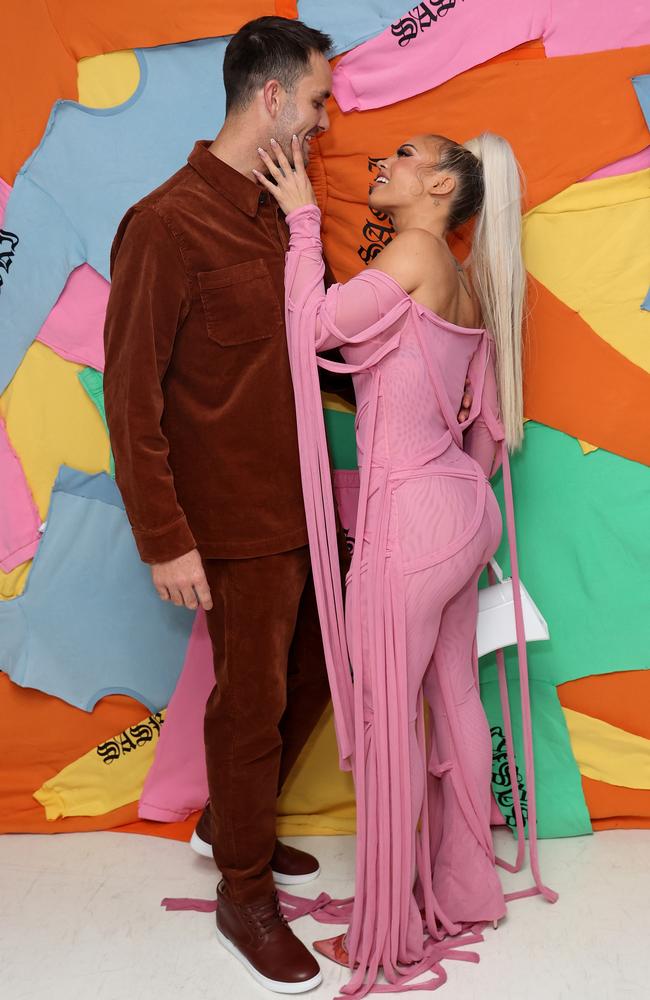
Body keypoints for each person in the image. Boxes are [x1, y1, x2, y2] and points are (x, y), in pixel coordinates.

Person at [104, 15, 473, 995]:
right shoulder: (164, 222)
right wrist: (165, 537)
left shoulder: (278, 211)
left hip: (306, 502)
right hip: (229, 515)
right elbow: (130, 392)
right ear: (270, 98)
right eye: (314, 103)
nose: (321, 124)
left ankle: (236, 821)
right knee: (253, 698)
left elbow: (310, 347)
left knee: (315, 674)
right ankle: (241, 889)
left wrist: (433, 377)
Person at [254, 130, 546, 995]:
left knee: (386, 730)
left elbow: (309, 327)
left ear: (443, 185)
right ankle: (464, 889)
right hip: (462, 508)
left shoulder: (417, 247)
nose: (382, 163)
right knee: (453, 702)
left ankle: (387, 932)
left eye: (404, 155)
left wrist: (303, 219)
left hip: (410, 521)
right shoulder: (456, 274)